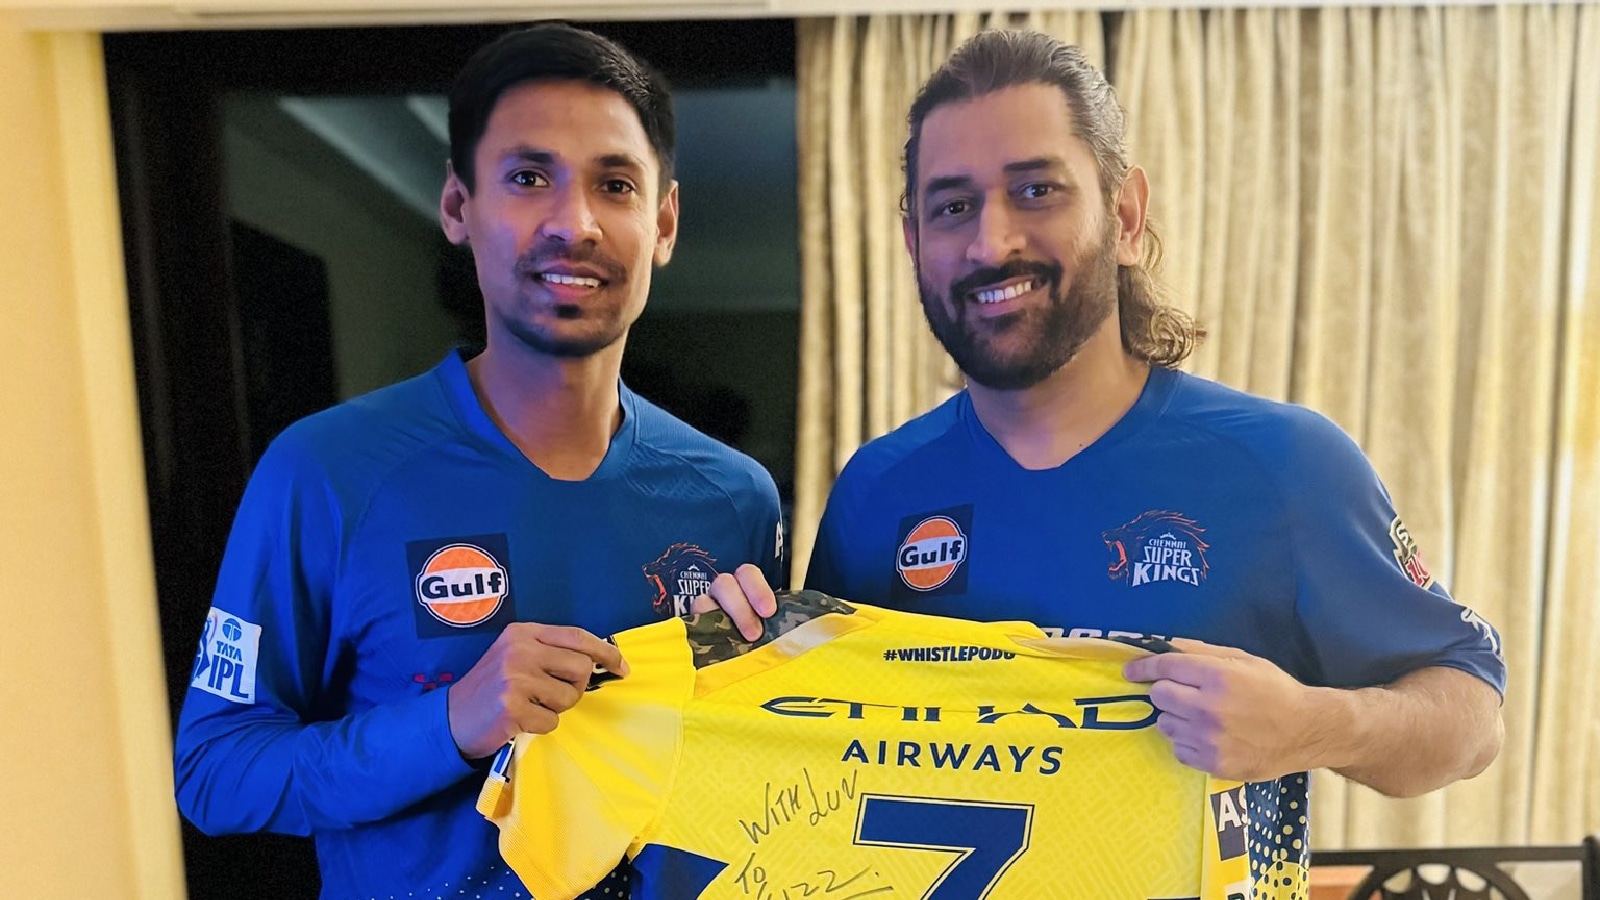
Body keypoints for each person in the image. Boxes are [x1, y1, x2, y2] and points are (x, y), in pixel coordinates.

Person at [706, 27, 1505, 888]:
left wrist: (1313, 724)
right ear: (913, 246)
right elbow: (820, 778)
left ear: (1124, 216)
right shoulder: (878, 490)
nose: (989, 242)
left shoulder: (1285, 466)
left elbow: (1472, 719)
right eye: (951, 206)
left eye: (1036, 190)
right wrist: (734, 652)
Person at [173, 23, 783, 900]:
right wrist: (449, 723)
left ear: (664, 223)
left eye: (614, 185)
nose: (574, 223)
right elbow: (215, 773)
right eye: (529, 177)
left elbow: (748, 783)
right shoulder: (323, 473)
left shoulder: (736, 499)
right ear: (459, 207)